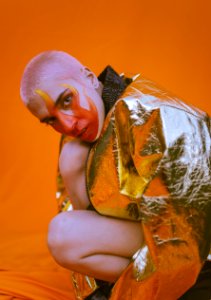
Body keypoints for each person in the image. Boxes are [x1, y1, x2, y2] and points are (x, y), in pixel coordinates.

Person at [20, 51, 211, 300]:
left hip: (198, 247)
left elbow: (186, 236)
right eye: (50, 120)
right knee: (62, 233)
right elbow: (79, 230)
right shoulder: (82, 132)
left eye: (67, 100)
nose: (67, 125)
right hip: (156, 239)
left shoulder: (159, 115)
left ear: (89, 77)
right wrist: (72, 168)